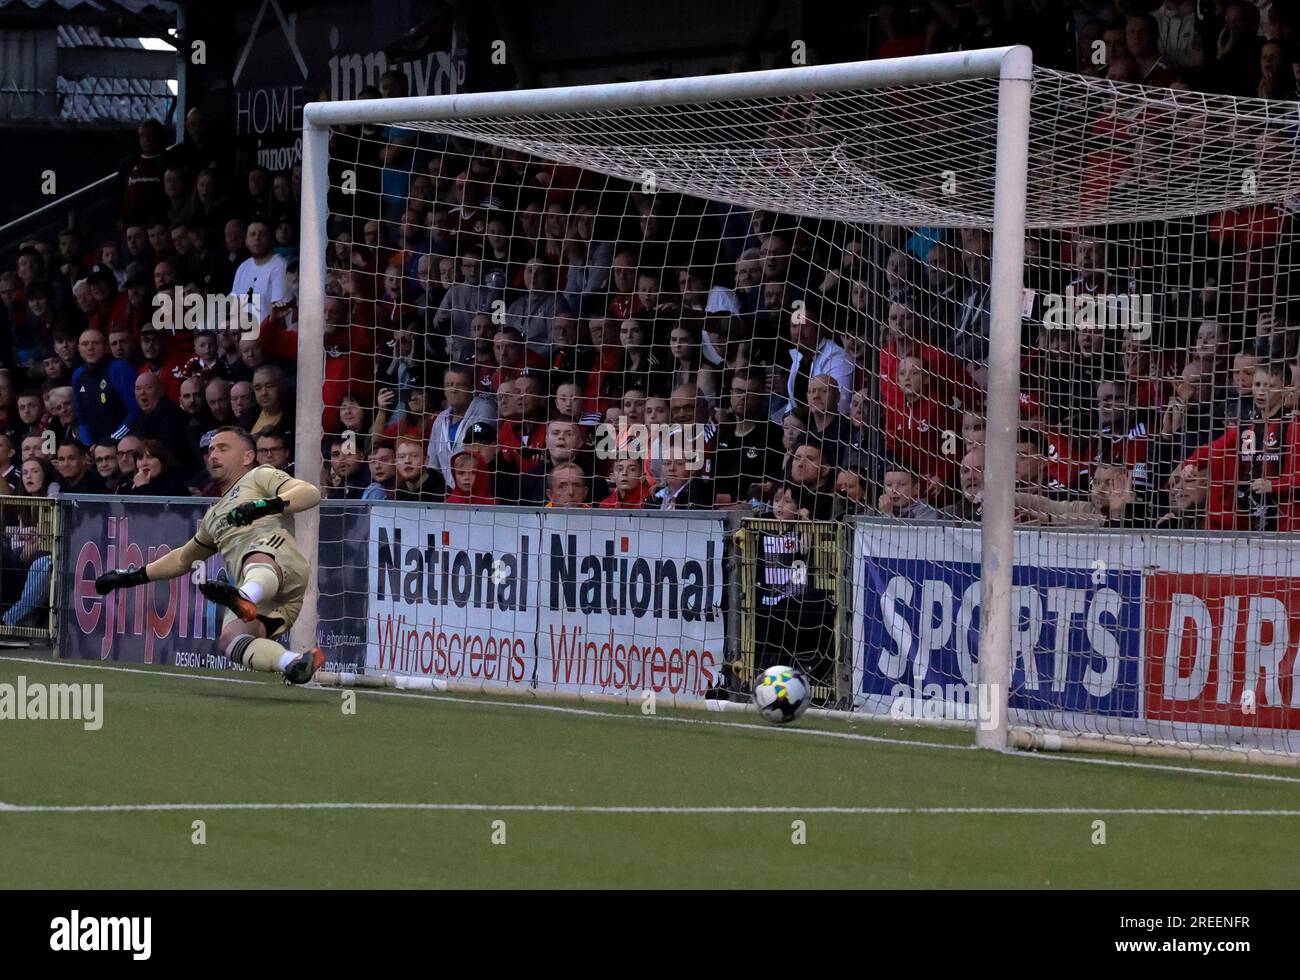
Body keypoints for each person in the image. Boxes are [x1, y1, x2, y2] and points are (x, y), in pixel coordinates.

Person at [95, 426, 326, 684]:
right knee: (231, 640)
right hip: (272, 597)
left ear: (248, 457)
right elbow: (184, 558)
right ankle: (293, 662)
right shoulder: (214, 516)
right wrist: (132, 577)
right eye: (211, 450)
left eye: (223, 448)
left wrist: (264, 506)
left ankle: (246, 596)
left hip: (278, 562)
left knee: (256, 554)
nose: (213, 454)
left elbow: (310, 493)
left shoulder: (260, 475)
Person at [124, 439, 192, 496]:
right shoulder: (132, 486)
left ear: (162, 461)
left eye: (150, 457)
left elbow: (154, 510)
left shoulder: (175, 486)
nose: (144, 463)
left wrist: (143, 488)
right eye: (140, 458)